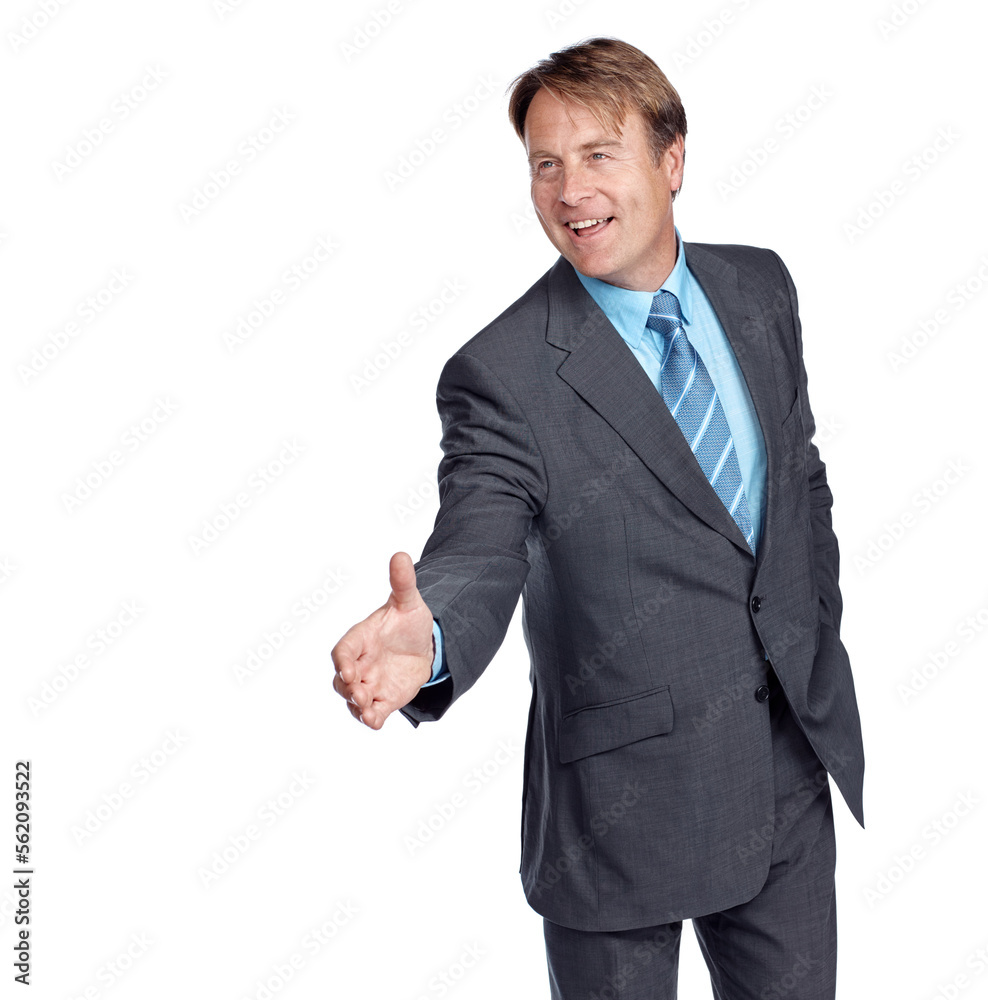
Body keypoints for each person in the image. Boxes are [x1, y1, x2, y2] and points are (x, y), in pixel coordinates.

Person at [332, 36, 865, 1000]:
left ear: (672, 159)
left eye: (597, 154)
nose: (568, 189)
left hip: (784, 774)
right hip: (620, 819)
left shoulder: (760, 289)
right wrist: (433, 631)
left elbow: (801, 474)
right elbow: (479, 541)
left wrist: (814, 622)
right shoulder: (503, 374)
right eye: (544, 162)